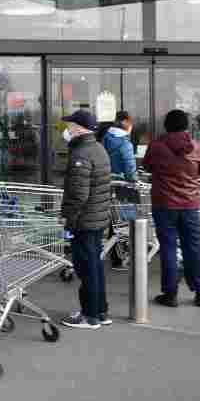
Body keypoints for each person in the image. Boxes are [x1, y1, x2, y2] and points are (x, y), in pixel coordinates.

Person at [142, 110, 200, 308]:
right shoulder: (197, 147)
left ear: (166, 126)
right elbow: (198, 172)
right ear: (186, 126)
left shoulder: (156, 146)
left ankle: (170, 294)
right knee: (193, 248)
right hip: (190, 204)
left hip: (164, 204)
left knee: (168, 248)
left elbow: (147, 167)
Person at [60, 109, 113, 329]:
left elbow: (78, 195)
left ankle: (89, 316)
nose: (67, 129)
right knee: (95, 266)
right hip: (96, 218)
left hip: (85, 220)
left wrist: (68, 218)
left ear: (78, 128)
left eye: (70, 125)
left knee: (86, 268)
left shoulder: (80, 154)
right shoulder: (98, 148)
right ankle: (100, 311)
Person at [101, 111, 137, 271]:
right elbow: (130, 169)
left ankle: (116, 256)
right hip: (123, 186)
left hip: (106, 184)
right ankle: (119, 257)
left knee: (114, 221)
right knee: (123, 223)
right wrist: (135, 180)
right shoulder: (125, 144)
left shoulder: (104, 138)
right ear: (126, 122)